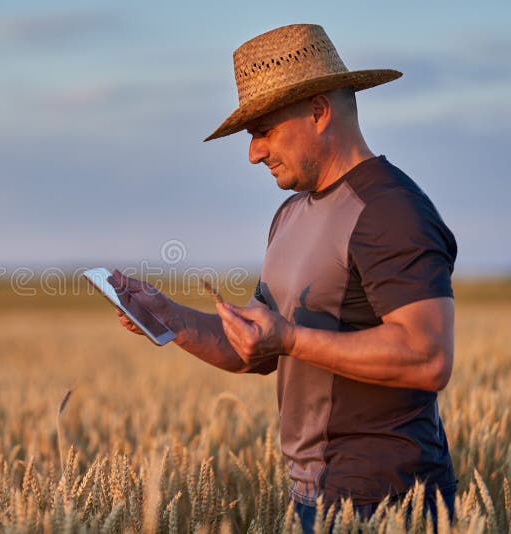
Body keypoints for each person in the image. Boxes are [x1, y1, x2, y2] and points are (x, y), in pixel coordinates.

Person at [110, 24, 457, 531]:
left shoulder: (390, 210)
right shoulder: (290, 215)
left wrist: (291, 338)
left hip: (386, 500)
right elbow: (259, 348)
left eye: (263, 132)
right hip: (310, 498)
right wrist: (169, 318)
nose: (253, 153)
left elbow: (428, 358)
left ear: (318, 111)